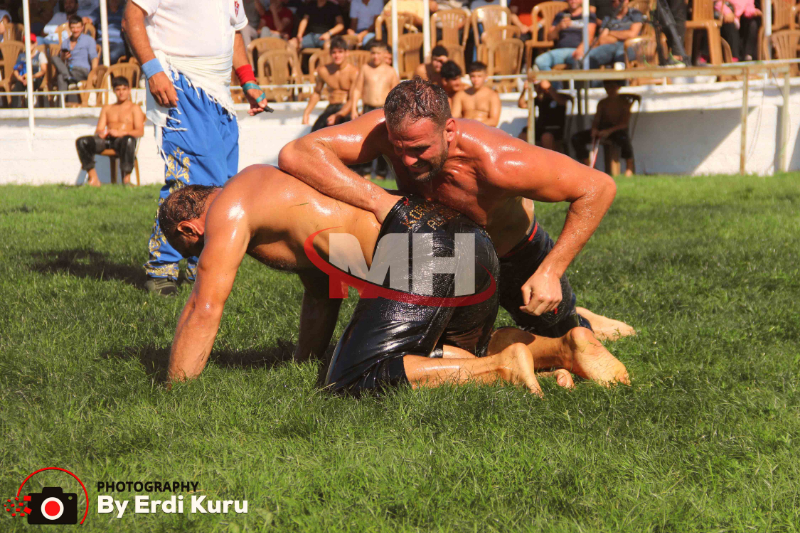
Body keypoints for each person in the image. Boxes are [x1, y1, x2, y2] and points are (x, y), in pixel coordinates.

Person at [159, 166, 630, 393]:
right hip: (466, 247)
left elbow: (205, 306)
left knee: (351, 380)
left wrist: (175, 391)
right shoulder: (280, 198)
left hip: (423, 258)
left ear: (190, 228)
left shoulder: (230, 205)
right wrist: (306, 359)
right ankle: (562, 349)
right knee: (449, 351)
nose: (204, 255)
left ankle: (502, 370)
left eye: (195, 250)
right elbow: (324, 294)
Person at [280, 78, 636, 344]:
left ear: (449, 131)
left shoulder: (499, 161)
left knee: (566, 338)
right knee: (446, 350)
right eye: (397, 147)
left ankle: (586, 319)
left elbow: (598, 187)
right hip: (445, 251)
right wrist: (377, 199)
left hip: (514, 253)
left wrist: (550, 271)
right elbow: (298, 153)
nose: (405, 160)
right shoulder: (387, 130)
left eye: (419, 149)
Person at [122, 0, 272, 295]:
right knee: (186, 182)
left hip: (219, 91)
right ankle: (161, 269)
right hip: (179, 82)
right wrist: (153, 70)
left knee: (222, 185)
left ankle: (201, 267)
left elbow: (235, 32)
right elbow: (131, 17)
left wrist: (248, 81)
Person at [75, 77, 145, 186]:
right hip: (108, 140)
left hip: (123, 142)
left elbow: (140, 131)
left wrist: (121, 133)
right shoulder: (107, 108)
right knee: (82, 141)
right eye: (118, 89)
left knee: (129, 140)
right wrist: (102, 133)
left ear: (129, 90)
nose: (121, 92)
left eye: (124, 89)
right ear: (114, 91)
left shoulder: (134, 108)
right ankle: (93, 178)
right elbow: (99, 129)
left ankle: (126, 180)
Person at [571, 80, 634, 176]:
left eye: (612, 86)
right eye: (607, 87)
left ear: (618, 87)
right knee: (576, 138)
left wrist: (609, 131)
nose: (610, 89)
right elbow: (596, 120)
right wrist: (594, 129)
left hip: (616, 131)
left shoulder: (624, 103)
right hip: (602, 130)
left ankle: (629, 167)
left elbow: (624, 124)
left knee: (624, 139)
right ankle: (589, 166)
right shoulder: (602, 103)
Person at [303, 37, 358, 130]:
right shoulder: (323, 71)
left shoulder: (354, 72)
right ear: (330, 54)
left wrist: (338, 115)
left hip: (346, 110)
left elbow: (352, 99)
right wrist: (306, 113)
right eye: (334, 52)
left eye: (340, 52)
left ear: (347, 53)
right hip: (331, 108)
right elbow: (317, 93)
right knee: (315, 132)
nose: (337, 55)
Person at [534, 0, 596, 71]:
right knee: (540, 61)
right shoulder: (560, 15)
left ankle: (574, 82)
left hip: (578, 50)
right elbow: (549, 37)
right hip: (560, 50)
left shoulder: (587, 15)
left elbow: (590, 36)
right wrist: (558, 27)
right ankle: (555, 81)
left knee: (581, 61)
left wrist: (580, 49)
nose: (573, 1)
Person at [51, 15, 98, 104]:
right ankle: (69, 79)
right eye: (73, 28)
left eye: (78, 27)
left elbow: (94, 58)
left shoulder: (88, 40)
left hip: (82, 70)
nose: (76, 30)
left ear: (82, 27)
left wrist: (94, 73)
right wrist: (63, 58)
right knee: (54, 58)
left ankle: (61, 105)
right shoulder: (65, 42)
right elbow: (62, 62)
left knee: (61, 76)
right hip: (69, 69)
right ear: (69, 28)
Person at [583, 0, 642, 69]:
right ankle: (594, 79)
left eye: (620, 1)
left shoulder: (635, 14)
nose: (617, 3)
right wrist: (623, 36)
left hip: (628, 46)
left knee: (620, 56)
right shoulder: (608, 17)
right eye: (613, 1)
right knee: (590, 57)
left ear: (626, 1)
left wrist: (610, 33)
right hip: (609, 46)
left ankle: (623, 79)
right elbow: (602, 39)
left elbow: (632, 34)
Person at [350, 40, 399, 120]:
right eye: (373, 53)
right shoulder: (365, 68)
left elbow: (395, 94)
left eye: (378, 53)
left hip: (384, 109)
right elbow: (357, 90)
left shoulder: (391, 71)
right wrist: (353, 110)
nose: (375, 56)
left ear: (384, 54)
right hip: (368, 109)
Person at [517, 75, 569, 151]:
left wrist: (549, 88)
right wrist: (524, 90)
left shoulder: (559, 96)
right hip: (541, 128)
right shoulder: (540, 99)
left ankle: (550, 161)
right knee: (523, 135)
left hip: (554, 128)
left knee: (546, 137)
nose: (538, 89)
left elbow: (561, 102)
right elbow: (522, 105)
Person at [451, 61, 501, 127]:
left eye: (479, 76)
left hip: (485, 132)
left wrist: (475, 126)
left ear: (485, 77)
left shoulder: (492, 96)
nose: (476, 79)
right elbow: (454, 117)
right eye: (473, 76)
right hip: (465, 131)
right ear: (469, 76)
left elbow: (494, 121)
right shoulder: (460, 95)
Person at [9, 34, 48, 108]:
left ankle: (29, 107)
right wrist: (19, 77)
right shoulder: (22, 56)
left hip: (35, 78)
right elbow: (16, 69)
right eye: (27, 43)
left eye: (31, 43)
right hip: (23, 78)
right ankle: (15, 109)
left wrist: (31, 77)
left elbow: (43, 70)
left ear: (35, 44)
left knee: (30, 88)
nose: (29, 45)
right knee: (15, 89)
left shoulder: (40, 55)